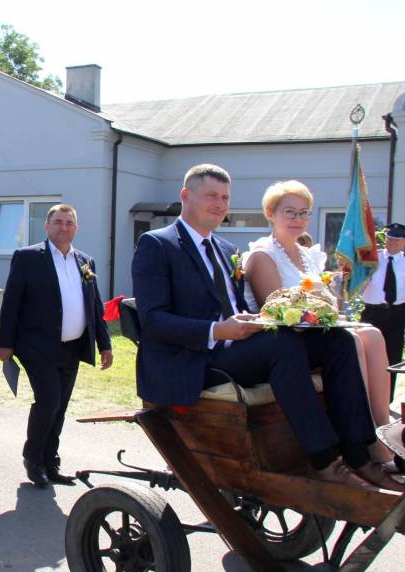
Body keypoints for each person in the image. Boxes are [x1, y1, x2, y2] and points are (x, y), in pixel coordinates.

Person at [132, 164, 400, 491]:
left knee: (338, 340)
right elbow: (153, 321)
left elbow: (236, 305)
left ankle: (359, 455)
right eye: (211, 196)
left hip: (237, 347)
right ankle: (325, 460)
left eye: (225, 198)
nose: (220, 204)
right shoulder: (157, 244)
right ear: (186, 196)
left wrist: (257, 320)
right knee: (282, 344)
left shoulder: (226, 249)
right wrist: (218, 330)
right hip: (194, 358)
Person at [243, 181, 402, 473]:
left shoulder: (307, 255)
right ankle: (364, 439)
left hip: (316, 332)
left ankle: (381, 426)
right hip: (287, 339)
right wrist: (322, 307)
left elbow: (328, 303)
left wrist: (329, 299)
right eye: (290, 212)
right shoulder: (262, 255)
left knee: (372, 334)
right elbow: (277, 309)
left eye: (304, 213)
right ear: (271, 214)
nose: (298, 219)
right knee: (353, 340)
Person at [0, 204, 113, 488]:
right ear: (47, 226)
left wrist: (105, 344)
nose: (64, 227)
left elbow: (95, 306)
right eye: (58, 222)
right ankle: (33, 459)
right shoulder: (28, 258)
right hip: (37, 346)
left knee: (60, 406)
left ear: (76, 228)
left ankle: (51, 462)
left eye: (69, 223)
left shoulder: (85, 261)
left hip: (72, 348)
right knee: (48, 401)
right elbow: (11, 301)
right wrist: (4, 343)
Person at [361, 223, 405, 393]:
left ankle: (387, 399)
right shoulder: (373, 260)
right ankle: (366, 395)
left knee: (393, 357)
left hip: (397, 314)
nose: (392, 243)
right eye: (389, 239)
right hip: (373, 313)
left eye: (397, 240)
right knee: (366, 355)